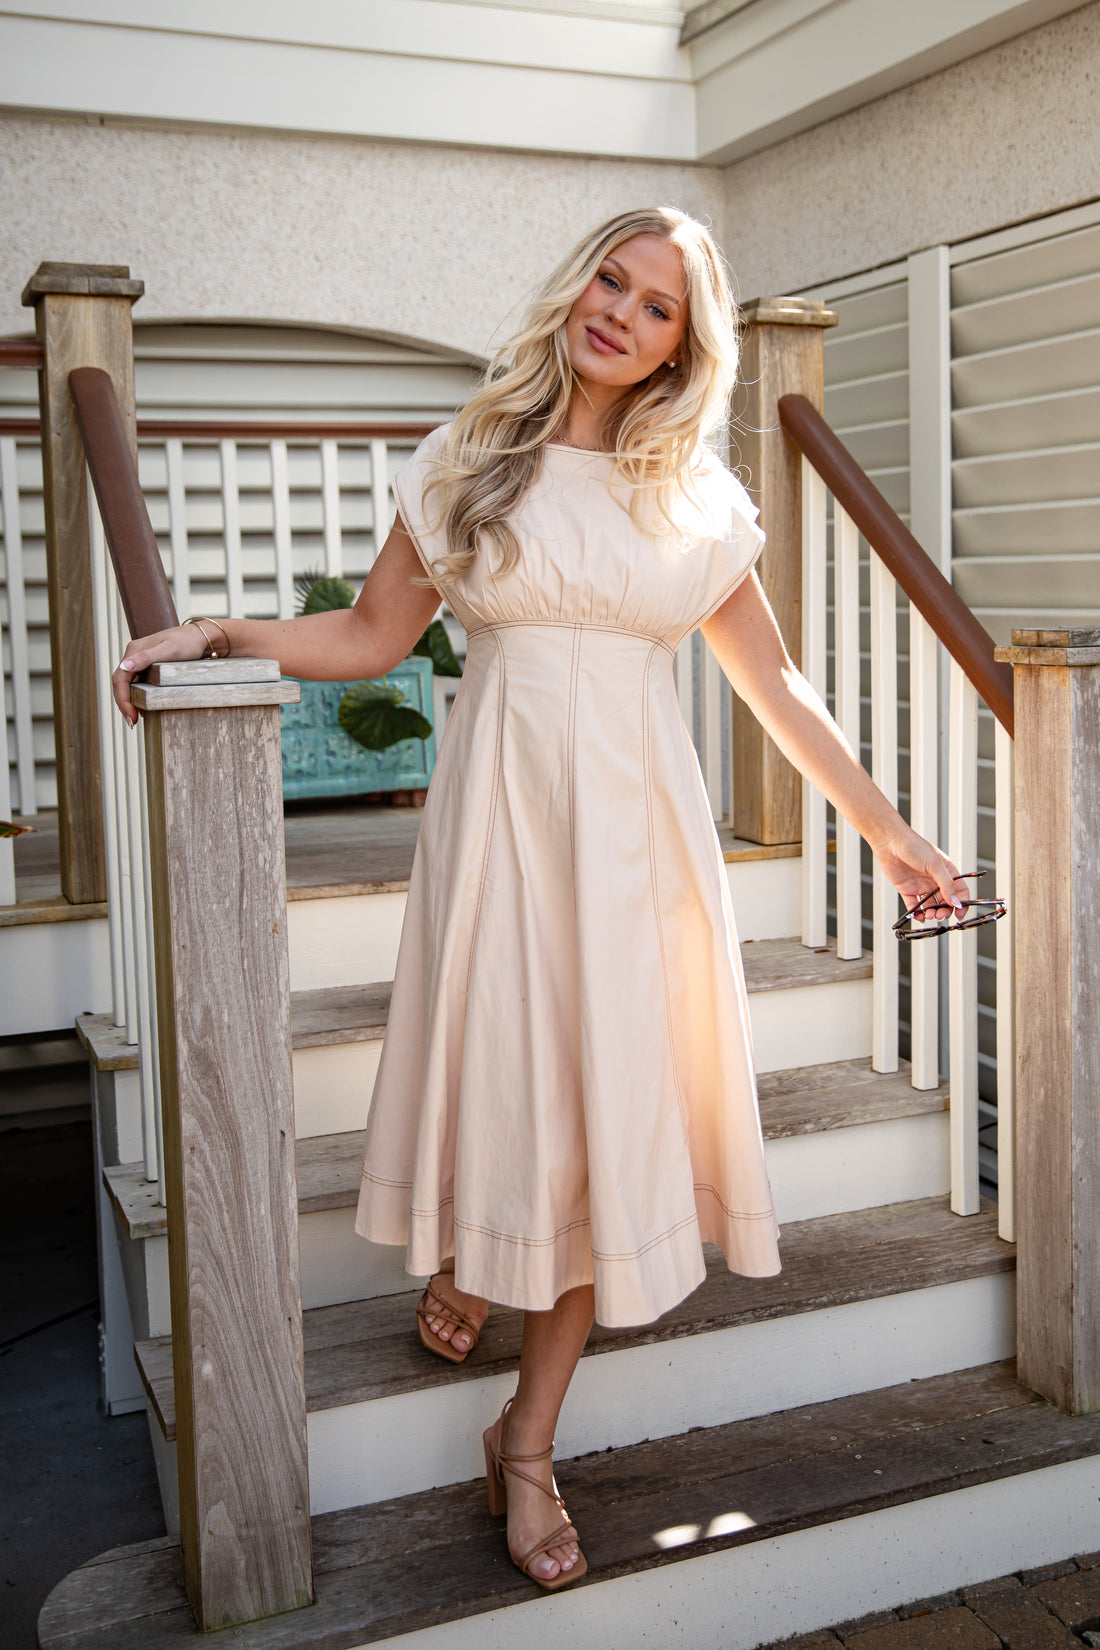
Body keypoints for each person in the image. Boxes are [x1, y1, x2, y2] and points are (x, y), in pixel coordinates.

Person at [113, 206, 966, 1594]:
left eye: (658, 305)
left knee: (606, 1114)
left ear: (684, 347)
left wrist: (890, 833)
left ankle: (526, 1438)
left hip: (636, 839)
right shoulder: (472, 455)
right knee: (513, 1075)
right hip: (501, 827)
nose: (621, 312)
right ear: (579, 288)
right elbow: (371, 634)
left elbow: (775, 684)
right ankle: (473, 1262)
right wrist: (217, 631)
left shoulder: (691, 494)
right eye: (610, 280)